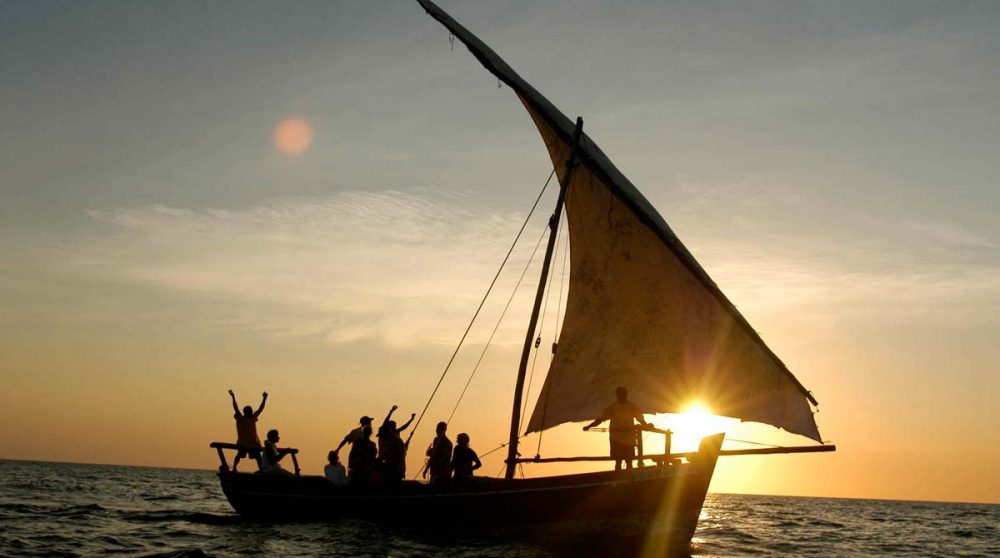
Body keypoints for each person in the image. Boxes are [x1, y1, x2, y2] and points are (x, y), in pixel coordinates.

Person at [583, 386, 648, 471]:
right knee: (618, 461)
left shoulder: (632, 407)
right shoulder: (611, 408)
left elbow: (640, 419)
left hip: (629, 439)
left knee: (629, 462)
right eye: (621, 394)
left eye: (624, 394)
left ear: (626, 395)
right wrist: (589, 426)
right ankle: (617, 477)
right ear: (617, 395)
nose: (623, 396)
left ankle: (629, 477)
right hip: (616, 439)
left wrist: (647, 425)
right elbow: (600, 419)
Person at [228, 389, 267, 472]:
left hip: (253, 443)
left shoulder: (252, 418)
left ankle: (261, 470)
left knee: (257, 457)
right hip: (243, 443)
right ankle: (234, 468)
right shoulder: (241, 419)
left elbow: (260, 409)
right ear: (245, 412)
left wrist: (264, 399)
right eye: (249, 411)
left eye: (250, 411)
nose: (250, 412)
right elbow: (235, 408)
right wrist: (233, 397)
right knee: (240, 455)